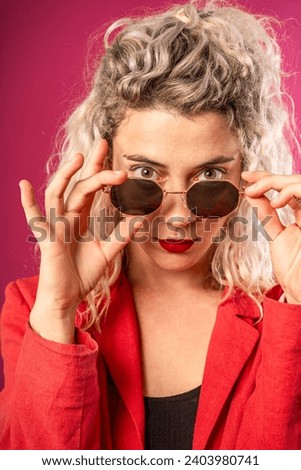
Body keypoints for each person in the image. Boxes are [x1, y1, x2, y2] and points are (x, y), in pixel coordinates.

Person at [0, 0, 301, 450]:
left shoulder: (286, 312)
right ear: (103, 171)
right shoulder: (34, 310)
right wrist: (58, 313)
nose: (178, 219)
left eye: (210, 179)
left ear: (249, 174)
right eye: (145, 178)